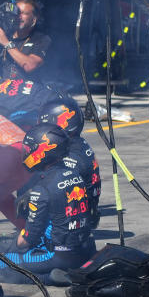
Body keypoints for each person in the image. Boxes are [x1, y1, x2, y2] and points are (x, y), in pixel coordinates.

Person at [0, 122, 96, 281]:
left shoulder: (42, 189)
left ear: (43, 151)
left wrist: (11, 245)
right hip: (87, 249)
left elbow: (29, 238)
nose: (26, 153)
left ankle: (52, 278)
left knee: (1, 264)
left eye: (29, 149)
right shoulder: (75, 175)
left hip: (62, 256)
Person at [38, 95, 100, 232]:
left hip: (71, 223)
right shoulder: (77, 144)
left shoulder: (70, 155)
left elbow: (58, 187)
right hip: (85, 213)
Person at [0, 0, 50, 79]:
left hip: (28, 89)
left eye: (23, 13)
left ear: (34, 19)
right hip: (2, 88)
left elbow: (30, 66)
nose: (18, 17)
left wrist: (6, 43)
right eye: (16, 13)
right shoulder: (5, 35)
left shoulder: (41, 39)